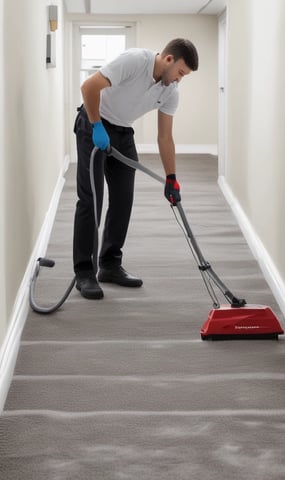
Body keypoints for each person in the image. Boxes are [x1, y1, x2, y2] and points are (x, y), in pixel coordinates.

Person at [73, 38, 199, 299]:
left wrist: (171, 178)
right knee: (91, 200)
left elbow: (165, 137)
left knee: (123, 200)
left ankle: (109, 265)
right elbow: (89, 86)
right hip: (93, 124)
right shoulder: (134, 61)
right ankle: (84, 272)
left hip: (122, 133)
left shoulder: (170, 92)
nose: (179, 80)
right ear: (168, 59)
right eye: (180, 72)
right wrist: (96, 126)